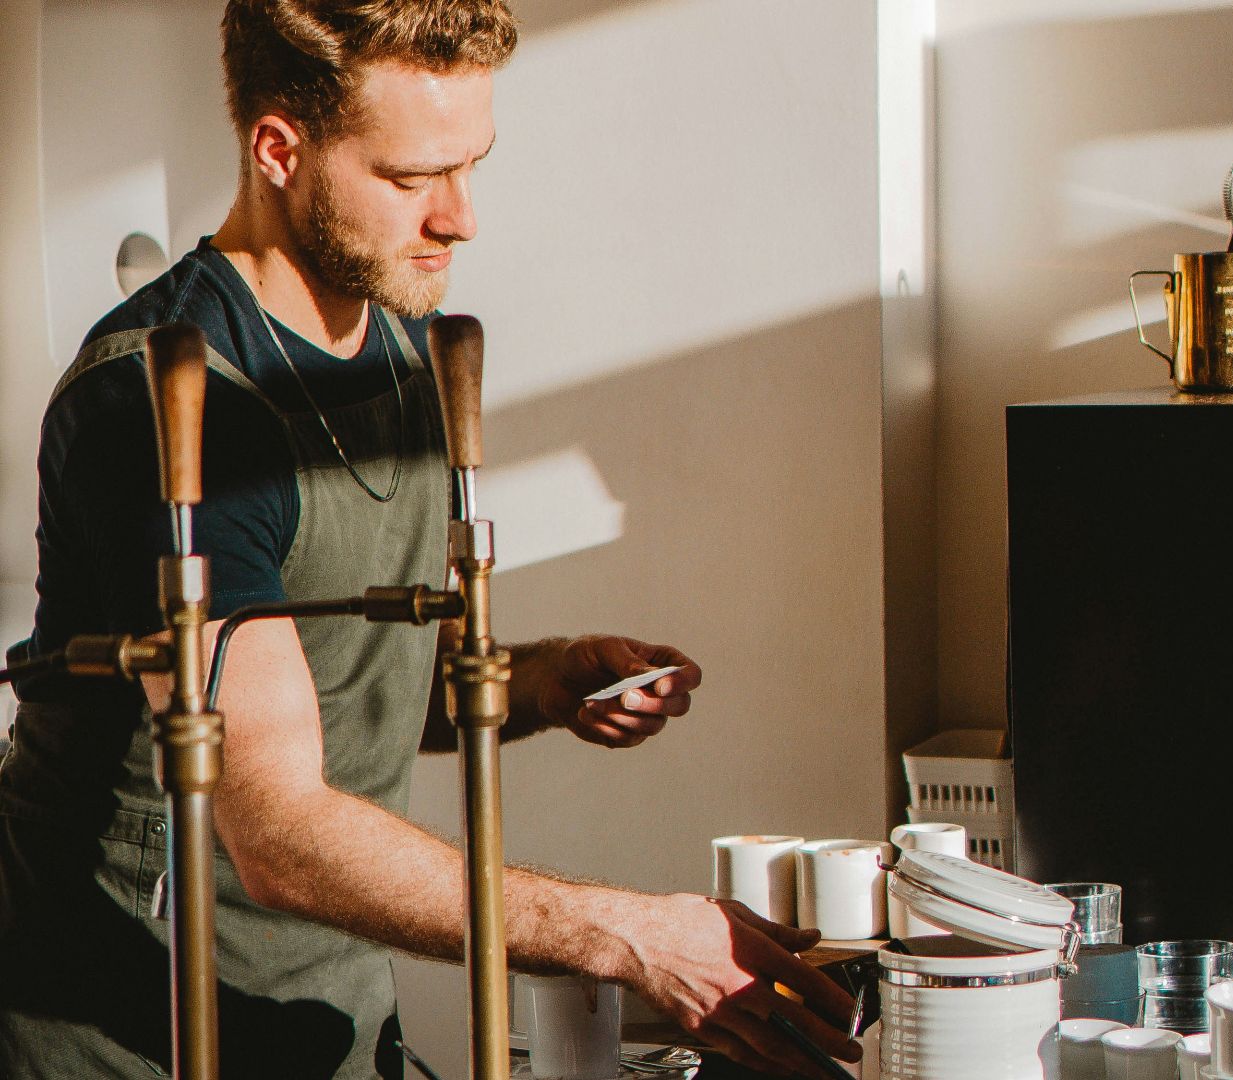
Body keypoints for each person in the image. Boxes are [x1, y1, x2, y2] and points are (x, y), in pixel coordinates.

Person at [0, 2, 858, 1077]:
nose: (459, 218)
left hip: (329, 1021)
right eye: (412, 180)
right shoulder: (167, 407)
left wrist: (538, 682)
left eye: (471, 166)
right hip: (135, 1035)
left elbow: (336, 684)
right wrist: (630, 934)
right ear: (279, 149)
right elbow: (280, 832)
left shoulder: (399, 346)